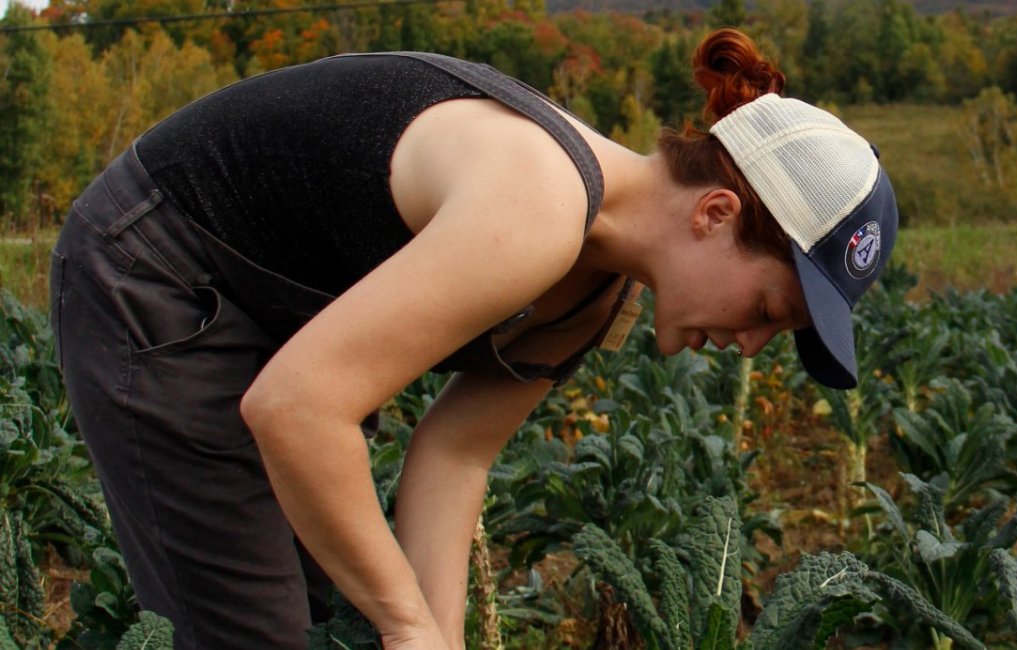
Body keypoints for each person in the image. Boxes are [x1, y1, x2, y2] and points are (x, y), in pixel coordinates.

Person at [49, 28, 897, 649]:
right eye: (769, 310)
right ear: (716, 215)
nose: (750, 346)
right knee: (258, 631)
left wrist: (435, 637)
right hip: (157, 270)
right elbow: (298, 407)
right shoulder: (538, 205)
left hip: (269, 321)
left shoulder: (591, 299)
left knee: (325, 618)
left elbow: (454, 457)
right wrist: (406, 620)